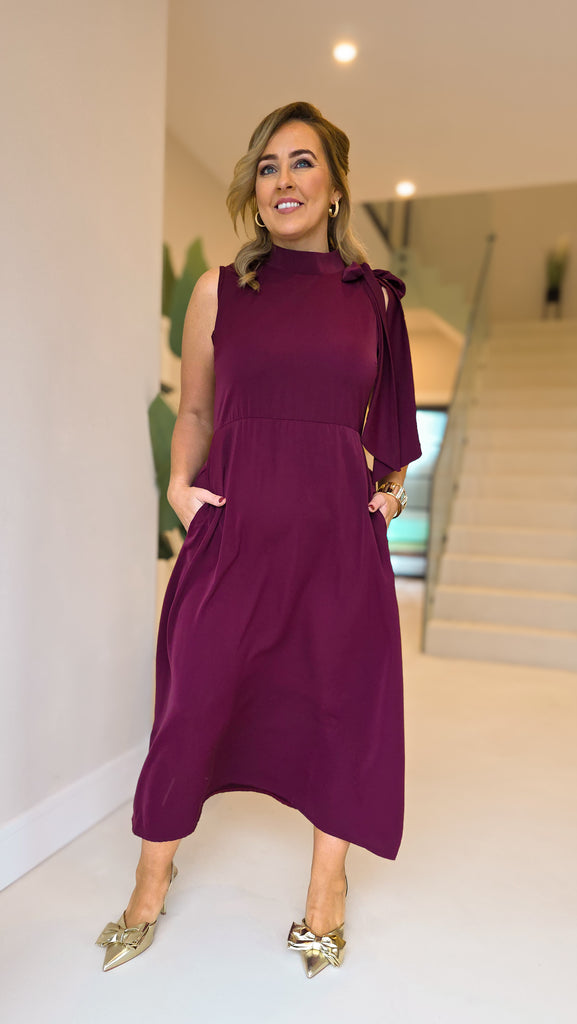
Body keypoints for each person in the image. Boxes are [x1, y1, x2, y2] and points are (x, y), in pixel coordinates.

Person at [95, 100, 422, 978]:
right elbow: (196, 409)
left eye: (302, 162)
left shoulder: (374, 300)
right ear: (255, 186)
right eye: (268, 165)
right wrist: (180, 487)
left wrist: (388, 494)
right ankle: (149, 883)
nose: (283, 179)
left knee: (337, 712)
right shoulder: (219, 289)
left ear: (335, 185)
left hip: (335, 545)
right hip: (235, 532)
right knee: (191, 704)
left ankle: (325, 893)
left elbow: (390, 431)